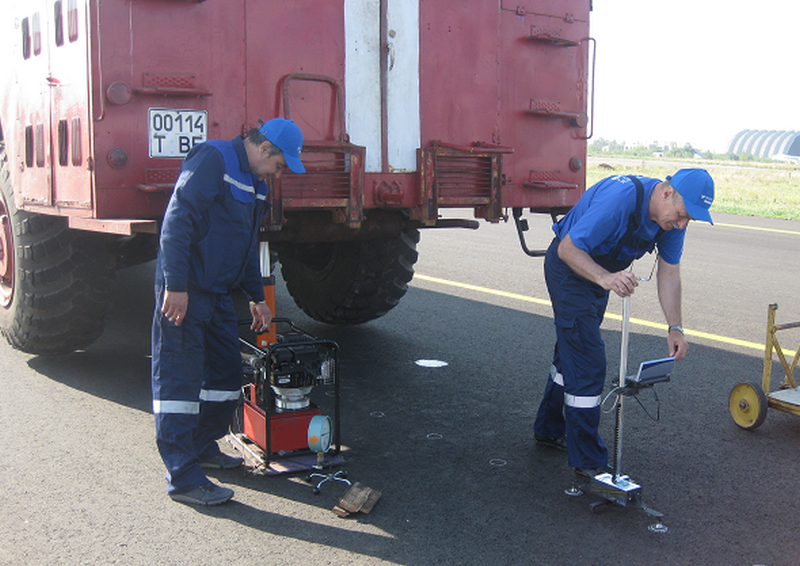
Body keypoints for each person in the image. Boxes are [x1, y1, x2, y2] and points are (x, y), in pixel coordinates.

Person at [151, 118, 306, 505]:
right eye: (281, 165)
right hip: (185, 290)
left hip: (217, 294)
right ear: (266, 149)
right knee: (179, 383)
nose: (279, 173)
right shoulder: (213, 159)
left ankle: (203, 447)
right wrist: (176, 285)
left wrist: (256, 297)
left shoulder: (256, 185)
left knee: (225, 374)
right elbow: (177, 221)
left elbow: (247, 245)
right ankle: (184, 478)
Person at [532, 168, 714, 483]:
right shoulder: (620, 199)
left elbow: (669, 273)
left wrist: (676, 327)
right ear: (667, 193)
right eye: (683, 215)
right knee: (588, 360)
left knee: (573, 350)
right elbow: (567, 250)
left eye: (690, 220)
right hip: (570, 268)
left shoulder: (671, 221)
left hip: (601, 273)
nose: (682, 224)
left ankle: (548, 428)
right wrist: (605, 278)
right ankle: (588, 460)